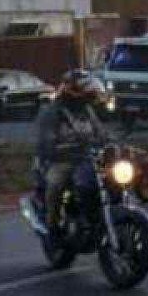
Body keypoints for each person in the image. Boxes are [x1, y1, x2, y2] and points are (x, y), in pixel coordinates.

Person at [36, 69, 107, 232]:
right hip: (63, 160)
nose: (90, 97)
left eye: (92, 94)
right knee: (55, 185)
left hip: (88, 159)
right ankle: (52, 226)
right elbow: (45, 139)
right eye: (87, 93)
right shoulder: (53, 112)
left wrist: (113, 144)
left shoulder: (87, 111)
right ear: (73, 92)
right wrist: (54, 148)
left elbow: (101, 133)